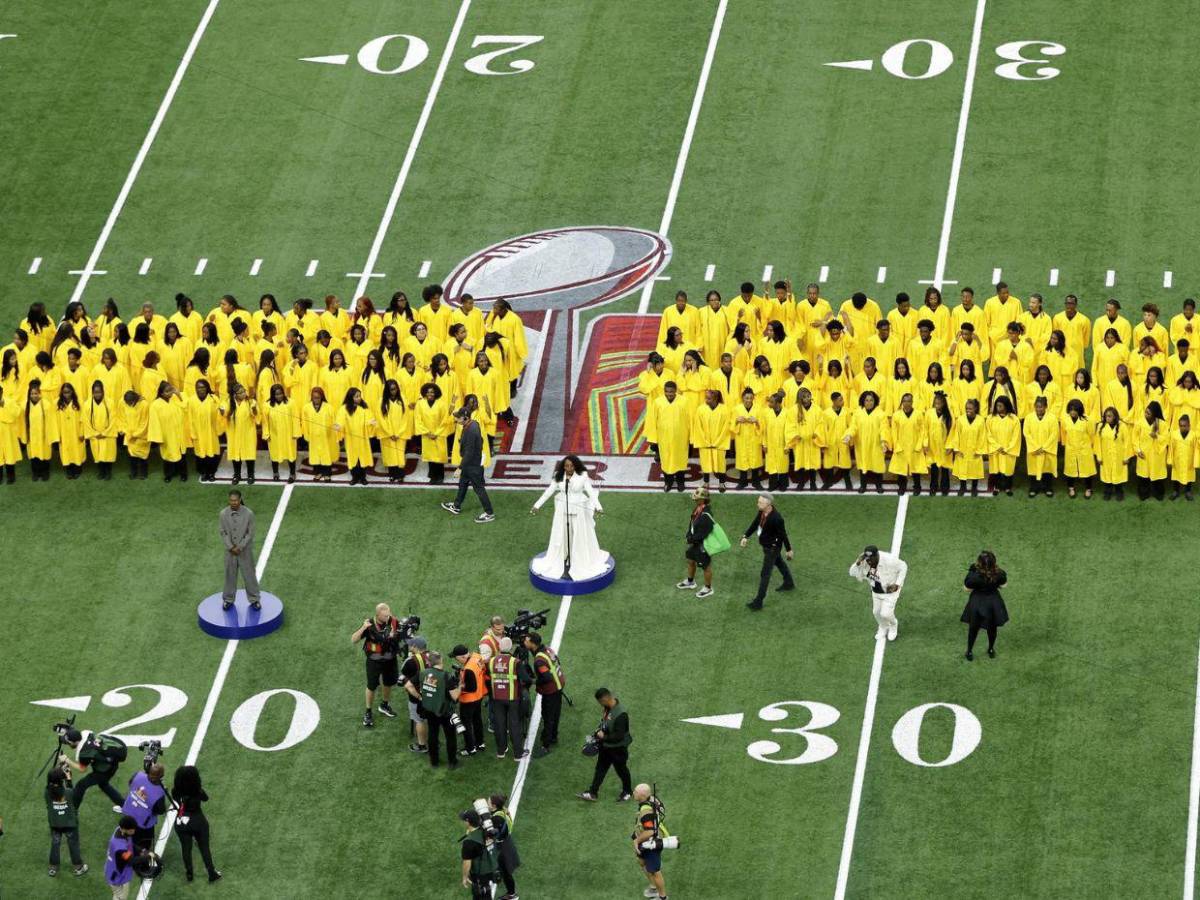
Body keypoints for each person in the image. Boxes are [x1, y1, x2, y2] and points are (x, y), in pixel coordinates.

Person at [530, 455, 606, 579]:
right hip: (562, 510)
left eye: (571, 466)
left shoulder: (583, 476)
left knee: (579, 535)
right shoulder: (558, 476)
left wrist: (598, 507)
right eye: (566, 466)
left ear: (575, 465)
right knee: (562, 535)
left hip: (579, 511)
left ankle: (579, 560)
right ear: (563, 466)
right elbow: (549, 491)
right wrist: (537, 505)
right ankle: (565, 558)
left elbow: (590, 492)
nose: (569, 468)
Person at [739, 492, 794, 611]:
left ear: (768, 504)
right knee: (779, 562)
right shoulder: (762, 512)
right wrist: (745, 536)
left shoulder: (777, 518)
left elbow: (783, 534)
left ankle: (758, 601)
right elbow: (754, 524)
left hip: (772, 548)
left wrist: (789, 549)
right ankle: (789, 582)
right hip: (766, 545)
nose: (757, 504)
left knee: (765, 574)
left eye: (760, 502)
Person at [441, 402, 495, 522]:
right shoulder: (473, 424)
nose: (456, 418)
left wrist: (460, 468)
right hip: (472, 463)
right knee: (463, 483)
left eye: (458, 417)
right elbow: (479, 441)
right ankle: (456, 506)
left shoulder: (471, 430)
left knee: (479, 489)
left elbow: (469, 453)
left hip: (473, 465)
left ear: (465, 417)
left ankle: (489, 513)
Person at [351, 603, 402, 727]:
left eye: (388, 614)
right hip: (374, 660)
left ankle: (384, 705)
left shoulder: (394, 621)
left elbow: (402, 636)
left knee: (389, 682)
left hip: (390, 659)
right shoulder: (369, 624)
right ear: (377, 615)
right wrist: (363, 628)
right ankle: (368, 711)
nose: (388, 617)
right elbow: (354, 639)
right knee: (372, 685)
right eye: (385, 616)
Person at [578, 688, 633, 802]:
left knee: (621, 770)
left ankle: (627, 791)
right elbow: (605, 723)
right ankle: (593, 792)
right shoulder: (608, 708)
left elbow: (619, 736)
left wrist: (603, 736)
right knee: (600, 769)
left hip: (618, 749)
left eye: (600, 702)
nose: (600, 705)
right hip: (606, 746)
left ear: (605, 699)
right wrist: (598, 733)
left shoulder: (621, 714)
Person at [171, 765, 221, 883]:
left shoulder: (175, 791)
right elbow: (206, 798)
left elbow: (176, 798)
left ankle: (189, 874)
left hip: (181, 822)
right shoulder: (197, 791)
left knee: (186, 848)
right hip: (198, 822)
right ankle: (211, 873)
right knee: (204, 848)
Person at [848, 544, 908, 641]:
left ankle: (893, 625)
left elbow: (903, 566)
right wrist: (857, 563)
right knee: (876, 612)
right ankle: (883, 627)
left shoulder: (889, 560)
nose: (869, 561)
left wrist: (897, 584)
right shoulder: (864, 562)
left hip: (890, 592)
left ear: (877, 556)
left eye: (871, 559)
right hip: (876, 591)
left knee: (886, 614)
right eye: (867, 559)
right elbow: (852, 573)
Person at [961, 551, 1009, 661]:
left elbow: (966, 588)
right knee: (992, 628)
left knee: (973, 628)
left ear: (979, 563)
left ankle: (969, 651)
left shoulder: (973, 576)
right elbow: (1004, 585)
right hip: (993, 603)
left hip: (977, 603)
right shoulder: (1000, 574)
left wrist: (972, 571)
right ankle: (991, 650)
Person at [64, 728, 126, 811]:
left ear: (74, 742)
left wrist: (67, 760)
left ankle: (72, 812)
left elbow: (82, 769)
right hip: (112, 761)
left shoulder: (83, 753)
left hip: (105, 769)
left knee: (81, 785)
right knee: (103, 785)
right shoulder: (86, 733)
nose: (68, 744)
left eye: (69, 742)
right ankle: (124, 805)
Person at [488, 637, 529, 761]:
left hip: (496, 698)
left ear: (499, 647)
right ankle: (518, 753)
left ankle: (501, 751)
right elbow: (526, 679)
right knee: (514, 725)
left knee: (499, 724)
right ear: (511, 648)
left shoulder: (491, 661)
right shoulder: (515, 662)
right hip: (512, 698)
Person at [418, 650, 461, 768]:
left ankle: (434, 762)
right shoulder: (446, 676)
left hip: (429, 709)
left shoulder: (423, 673)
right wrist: (460, 686)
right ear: (441, 660)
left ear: (429, 662)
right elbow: (455, 696)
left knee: (432, 734)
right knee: (450, 736)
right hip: (445, 711)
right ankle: (452, 762)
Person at [526, 631, 566, 757]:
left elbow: (547, 677)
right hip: (559, 686)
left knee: (548, 717)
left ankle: (546, 745)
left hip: (551, 690)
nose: (524, 642)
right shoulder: (548, 649)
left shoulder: (539, 661)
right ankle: (554, 737)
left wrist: (534, 682)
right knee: (556, 713)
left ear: (532, 643)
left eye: (526, 640)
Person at [219, 490, 261, 611]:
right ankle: (228, 599)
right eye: (231, 500)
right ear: (229, 500)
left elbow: (250, 533)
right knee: (229, 576)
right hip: (230, 551)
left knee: (249, 575)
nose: (233, 502)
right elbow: (223, 532)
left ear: (240, 499)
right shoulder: (223, 514)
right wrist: (230, 547)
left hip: (245, 551)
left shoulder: (249, 514)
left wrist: (240, 546)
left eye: (235, 500)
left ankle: (254, 599)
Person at [45, 770, 88, 877]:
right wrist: (69, 779)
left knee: (55, 843)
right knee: (73, 844)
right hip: (70, 823)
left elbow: (50, 787)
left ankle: (53, 868)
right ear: (61, 781)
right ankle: (78, 867)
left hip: (55, 823)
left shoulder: (47, 792)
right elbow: (73, 794)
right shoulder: (68, 792)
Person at [632, 784, 671, 900]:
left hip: (651, 843)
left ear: (642, 795)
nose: (633, 792)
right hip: (646, 840)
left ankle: (662, 897)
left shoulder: (646, 811)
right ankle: (654, 887)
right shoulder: (653, 799)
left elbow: (650, 831)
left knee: (655, 871)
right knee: (642, 861)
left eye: (635, 791)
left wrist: (637, 841)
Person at [678, 487, 717, 598]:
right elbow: (692, 524)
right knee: (690, 560)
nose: (695, 500)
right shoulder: (698, 509)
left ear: (703, 500)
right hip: (695, 542)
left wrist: (691, 539)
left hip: (702, 545)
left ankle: (708, 588)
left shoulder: (706, 515)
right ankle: (690, 581)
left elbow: (704, 533)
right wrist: (688, 535)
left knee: (706, 566)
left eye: (697, 498)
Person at [121, 763, 167, 852]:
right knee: (144, 845)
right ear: (161, 776)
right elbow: (160, 810)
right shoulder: (160, 792)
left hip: (128, 813)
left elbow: (130, 783)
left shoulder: (138, 775)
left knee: (128, 838)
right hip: (143, 823)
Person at [452, 644, 488, 756]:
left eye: (456, 657)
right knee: (477, 720)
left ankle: (470, 748)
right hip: (479, 695)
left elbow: (471, 688)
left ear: (462, 657)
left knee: (466, 724)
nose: (456, 660)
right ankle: (480, 743)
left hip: (469, 700)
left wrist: (459, 686)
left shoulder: (468, 669)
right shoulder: (477, 656)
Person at [459, 808, 500, 899]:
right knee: (486, 892)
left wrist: (464, 877)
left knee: (479, 896)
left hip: (480, 873)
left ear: (468, 822)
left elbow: (467, 863)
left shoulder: (469, 842)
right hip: (493, 866)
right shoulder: (487, 829)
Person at [400, 636, 431, 754]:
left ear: (415, 647)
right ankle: (433, 740)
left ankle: (422, 745)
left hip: (418, 696)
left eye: (410, 644)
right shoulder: (434, 655)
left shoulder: (410, 661)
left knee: (419, 720)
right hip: (434, 694)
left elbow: (403, 680)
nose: (408, 646)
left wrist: (417, 696)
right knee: (431, 718)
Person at [489, 793, 521, 900]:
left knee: (506, 872)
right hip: (507, 842)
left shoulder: (497, 818)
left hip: (502, 846)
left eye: (489, 801)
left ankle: (512, 895)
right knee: (502, 869)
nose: (487, 802)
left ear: (493, 805)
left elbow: (489, 834)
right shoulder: (503, 810)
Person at [105, 815, 139, 900]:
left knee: (118, 896)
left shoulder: (120, 831)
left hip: (114, 870)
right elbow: (131, 861)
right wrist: (146, 857)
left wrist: (143, 851)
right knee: (121, 897)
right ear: (124, 829)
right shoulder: (120, 848)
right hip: (117, 877)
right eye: (131, 830)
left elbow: (130, 845)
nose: (133, 832)